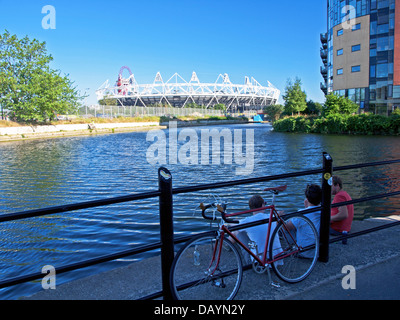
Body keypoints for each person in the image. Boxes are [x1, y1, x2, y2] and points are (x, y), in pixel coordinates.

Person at [231, 195, 280, 263]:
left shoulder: (248, 220)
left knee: (236, 230)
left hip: (257, 262)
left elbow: (232, 226)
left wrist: (233, 222)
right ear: (263, 205)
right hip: (277, 258)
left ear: (251, 208)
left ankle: (228, 243)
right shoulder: (272, 217)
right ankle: (229, 243)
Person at [285, 184, 322, 258]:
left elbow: (287, 228)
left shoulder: (301, 213)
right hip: (317, 252)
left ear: (307, 199)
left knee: (288, 223)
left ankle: (292, 248)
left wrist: (279, 219)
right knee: (299, 222)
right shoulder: (323, 211)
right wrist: (307, 207)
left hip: (304, 252)